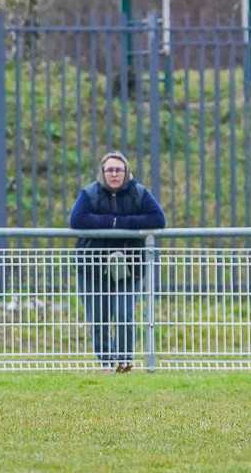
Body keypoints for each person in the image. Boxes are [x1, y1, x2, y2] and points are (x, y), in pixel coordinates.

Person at [70, 151, 166, 372]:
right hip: (93, 268)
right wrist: (113, 223)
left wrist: (118, 223)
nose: (114, 174)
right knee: (99, 319)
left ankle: (124, 361)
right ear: (103, 173)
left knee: (125, 314)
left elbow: (157, 218)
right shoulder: (90, 193)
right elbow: (77, 219)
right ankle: (106, 362)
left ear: (126, 172)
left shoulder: (138, 193)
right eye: (110, 170)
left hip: (129, 267)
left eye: (119, 170)